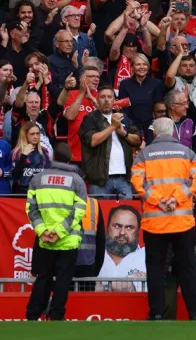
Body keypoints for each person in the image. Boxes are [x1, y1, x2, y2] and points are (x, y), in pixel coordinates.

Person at [130, 117, 196, 321]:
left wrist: (158, 201)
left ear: (154, 133)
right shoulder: (187, 152)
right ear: (173, 132)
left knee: (155, 268)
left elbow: (137, 181)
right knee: (187, 267)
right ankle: (195, 313)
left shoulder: (144, 154)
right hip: (182, 221)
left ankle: (156, 313)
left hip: (155, 223)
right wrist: (176, 199)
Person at [24, 143, 86, 321]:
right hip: (68, 239)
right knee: (63, 279)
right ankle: (57, 315)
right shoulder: (77, 180)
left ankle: (32, 315)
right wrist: (59, 232)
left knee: (43, 277)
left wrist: (44, 231)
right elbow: (79, 211)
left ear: (53, 158)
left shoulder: (38, 179)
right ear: (70, 158)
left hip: (45, 239)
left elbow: (31, 209)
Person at [79, 85, 142, 198]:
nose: (106, 100)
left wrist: (124, 133)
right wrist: (113, 126)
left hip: (123, 178)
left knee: (126, 212)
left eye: (109, 97)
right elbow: (93, 141)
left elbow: (138, 141)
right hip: (100, 180)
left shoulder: (124, 118)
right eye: (103, 97)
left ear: (114, 100)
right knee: (100, 214)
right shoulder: (90, 119)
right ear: (97, 100)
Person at [96, 205, 146, 292]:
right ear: (107, 228)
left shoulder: (148, 255)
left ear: (137, 232)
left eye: (129, 227)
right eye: (117, 226)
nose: (122, 232)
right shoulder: (92, 255)